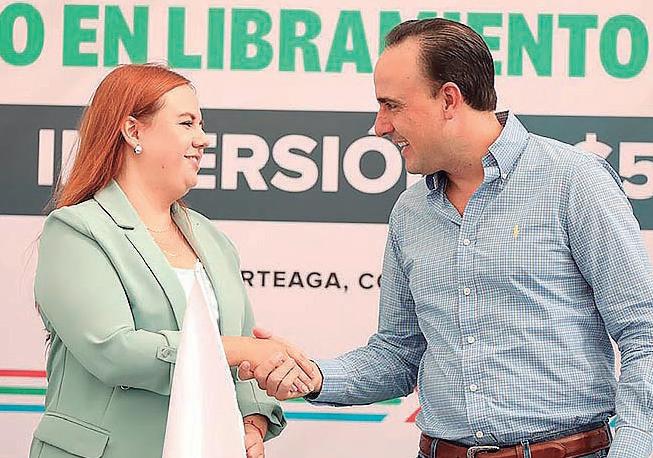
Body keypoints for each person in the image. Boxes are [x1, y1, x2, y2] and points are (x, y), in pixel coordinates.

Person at [239, 18, 653, 458]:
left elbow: (644, 333)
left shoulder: (573, 181)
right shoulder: (411, 211)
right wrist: (314, 377)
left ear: (449, 99)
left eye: (391, 105)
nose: (380, 126)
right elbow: (398, 355)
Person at [29, 64, 314, 458]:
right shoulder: (75, 230)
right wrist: (241, 350)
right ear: (133, 131)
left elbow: (242, 356)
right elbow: (112, 352)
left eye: (201, 125)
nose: (203, 139)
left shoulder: (212, 238)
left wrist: (253, 420)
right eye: (186, 123)